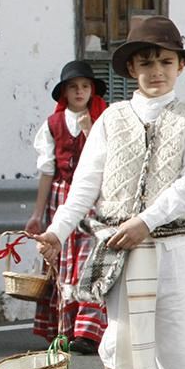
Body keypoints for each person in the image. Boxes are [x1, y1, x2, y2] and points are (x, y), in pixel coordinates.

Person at [34, 15, 185, 369]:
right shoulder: (112, 118)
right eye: (146, 62)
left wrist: (146, 221)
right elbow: (84, 186)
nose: (156, 71)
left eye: (165, 61)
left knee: (175, 342)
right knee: (121, 340)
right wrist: (56, 231)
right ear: (131, 70)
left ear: (180, 67)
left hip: (171, 246)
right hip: (117, 246)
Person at [25, 60, 110, 353]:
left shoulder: (105, 120)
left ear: (92, 91)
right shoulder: (52, 125)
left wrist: (89, 131)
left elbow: (108, 162)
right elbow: (47, 171)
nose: (79, 91)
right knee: (62, 264)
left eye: (85, 86)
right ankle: (65, 329)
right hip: (62, 197)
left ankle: (88, 331)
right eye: (73, 87)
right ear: (64, 92)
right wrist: (38, 214)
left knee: (90, 260)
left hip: (95, 198)